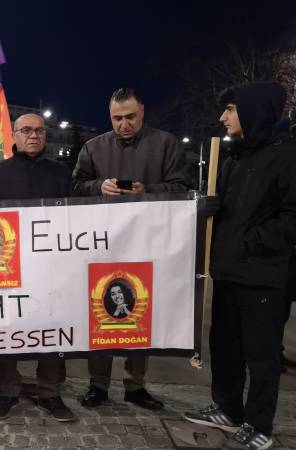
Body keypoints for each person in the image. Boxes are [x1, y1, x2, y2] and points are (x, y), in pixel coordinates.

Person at [185, 82, 296, 450]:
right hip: (228, 271)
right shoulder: (234, 160)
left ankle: (259, 424)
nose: (222, 117)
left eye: (229, 109)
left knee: (261, 355)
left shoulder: (287, 158)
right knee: (225, 346)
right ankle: (228, 408)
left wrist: (251, 241)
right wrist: (210, 209)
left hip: (263, 277)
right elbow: (231, 214)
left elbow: (291, 217)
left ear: (252, 111)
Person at [73, 88, 190, 410]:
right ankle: (98, 384)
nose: (123, 124)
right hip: (104, 245)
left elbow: (182, 188)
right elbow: (74, 186)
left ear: (142, 112)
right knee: (100, 311)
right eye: (117, 118)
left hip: (149, 244)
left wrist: (146, 190)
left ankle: (135, 385)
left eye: (130, 117)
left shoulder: (166, 144)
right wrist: (99, 186)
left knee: (141, 313)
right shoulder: (93, 147)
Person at [0, 113, 75, 422]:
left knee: (53, 330)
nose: (34, 136)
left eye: (40, 131)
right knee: (7, 330)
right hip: (8, 271)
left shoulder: (61, 173)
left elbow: (76, 219)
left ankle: (50, 392)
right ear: (15, 136)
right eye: (27, 131)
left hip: (51, 269)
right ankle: (7, 391)